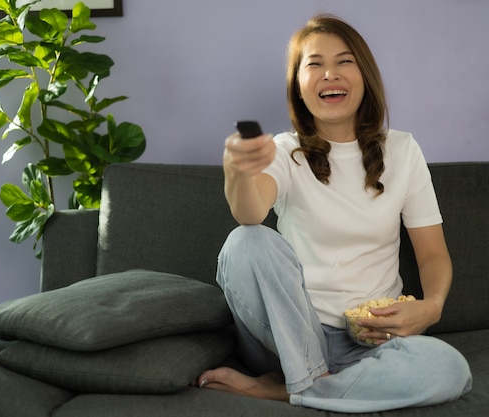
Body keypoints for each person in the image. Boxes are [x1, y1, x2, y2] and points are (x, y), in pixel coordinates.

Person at [196, 14, 472, 413]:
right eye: (314, 64)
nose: (330, 74)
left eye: (344, 61)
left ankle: (292, 389)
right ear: (298, 86)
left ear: (365, 75)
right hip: (287, 338)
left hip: (374, 339)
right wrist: (236, 170)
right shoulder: (285, 150)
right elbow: (249, 212)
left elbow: (432, 253)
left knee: (450, 368)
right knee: (246, 240)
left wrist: (431, 307)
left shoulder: (404, 150)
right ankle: (307, 376)